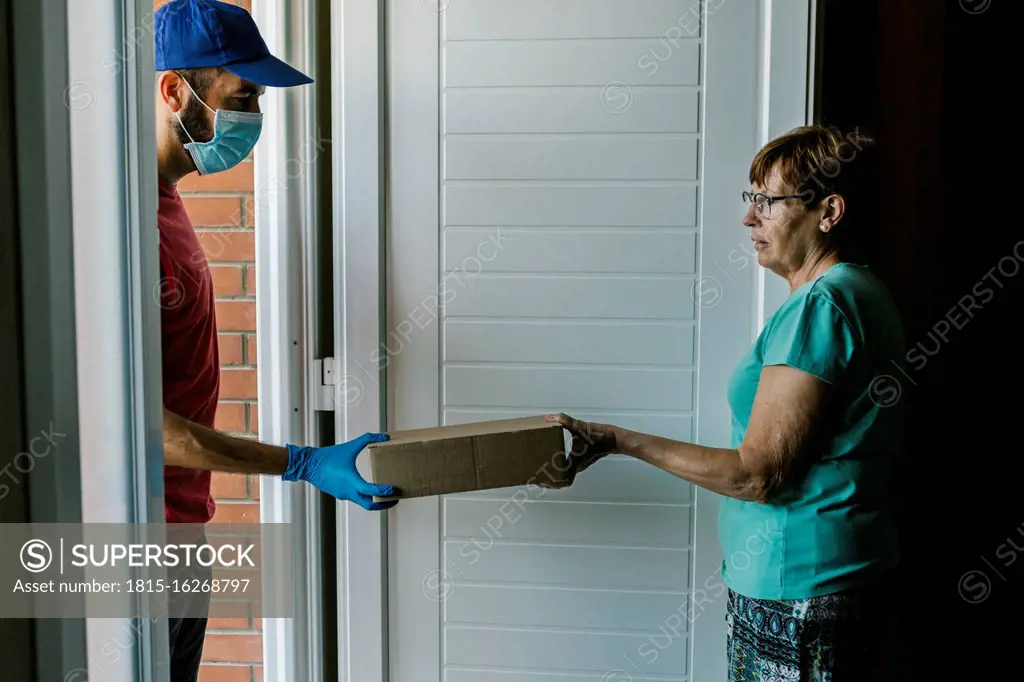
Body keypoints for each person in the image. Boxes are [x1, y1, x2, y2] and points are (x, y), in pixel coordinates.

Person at [546, 125, 903, 681]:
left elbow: (758, 476)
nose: (749, 218)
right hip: (827, 579)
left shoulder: (822, 305)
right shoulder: (860, 291)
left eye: (768, 201)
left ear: (828, 211)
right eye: (750, 199)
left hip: (800, 590)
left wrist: (620, 440)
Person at [153, 1, 396, 680]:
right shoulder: (120, 228)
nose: (252, 117)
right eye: (242, 96)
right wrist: (300, 462)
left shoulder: (167, 200)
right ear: (175, 89)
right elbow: (139, 425)